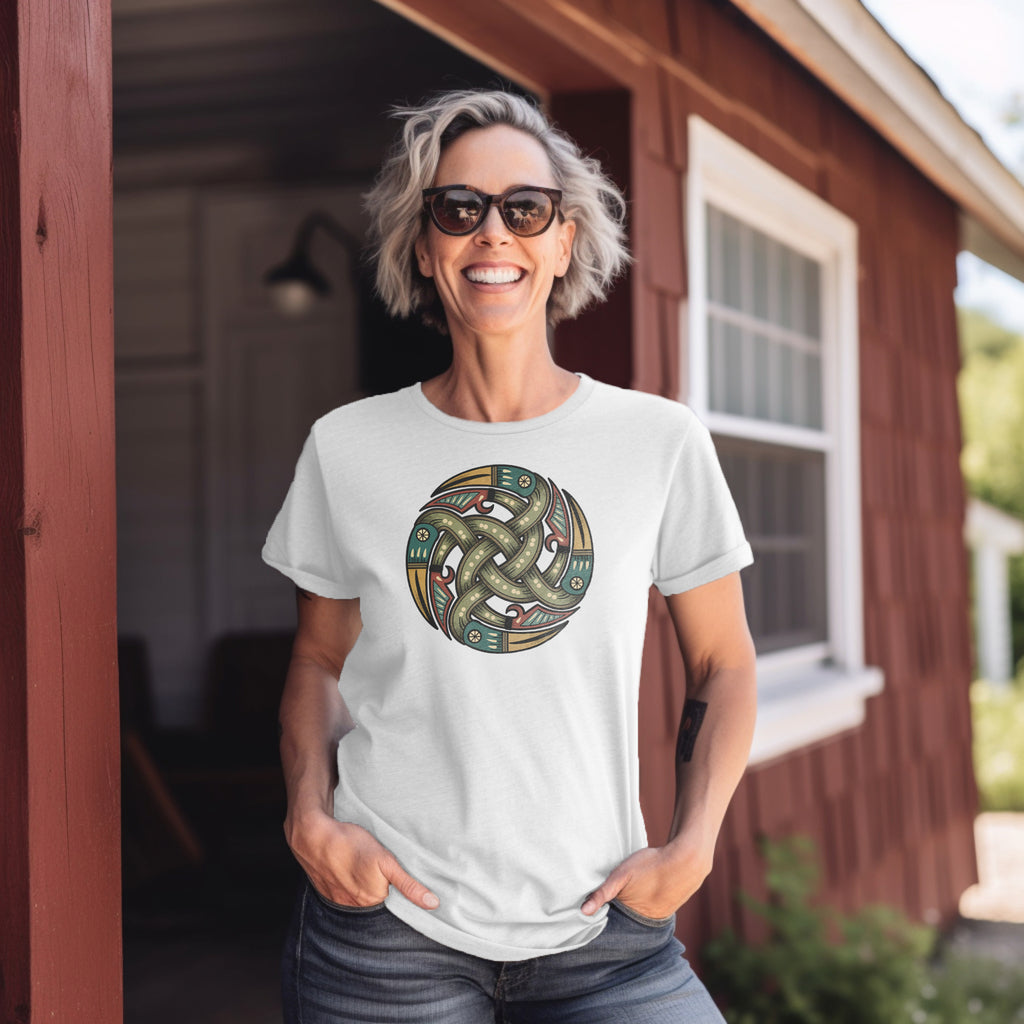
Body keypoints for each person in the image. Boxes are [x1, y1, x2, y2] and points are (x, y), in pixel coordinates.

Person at [262, 88, 757, 1024]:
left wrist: (692, 845)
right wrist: (311, 816)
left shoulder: (657, 442)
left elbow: (723, 662)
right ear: (424, 247)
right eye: (459, 208)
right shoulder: (347, 447)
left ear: (564, 241)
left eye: (525, 208)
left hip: (606, 934)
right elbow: (318, 661)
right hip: (386, 932)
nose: (493, 232)